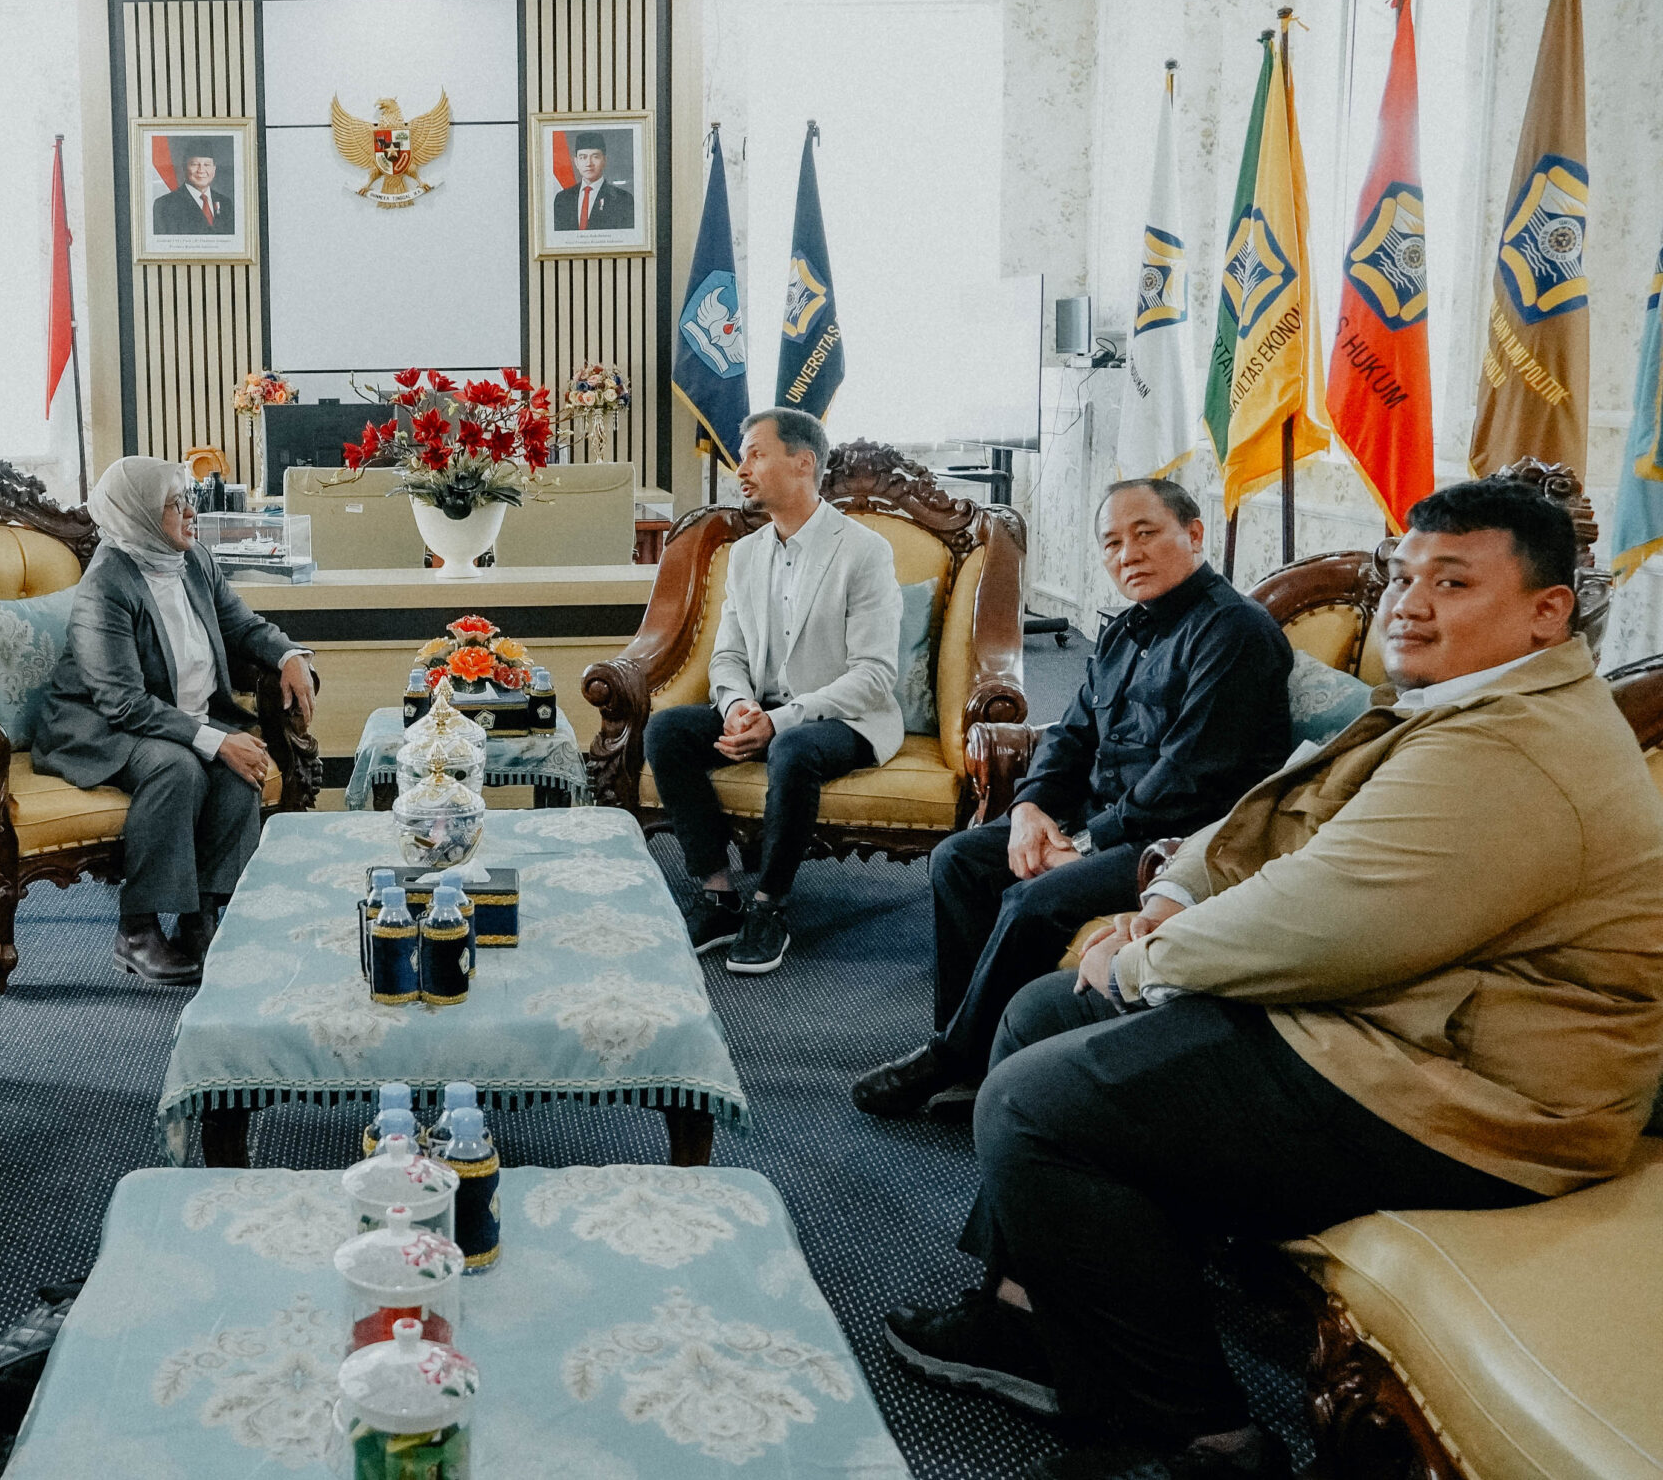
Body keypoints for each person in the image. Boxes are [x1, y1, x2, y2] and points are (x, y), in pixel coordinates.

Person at [881, 480, 1663, 1480]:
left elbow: (1329, 918)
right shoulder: (1467, 701)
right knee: (1042, 1009)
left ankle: (1196, 1436)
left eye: (1453, 582)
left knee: (1034, 1105)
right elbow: (1286, 814)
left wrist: (1143, 956)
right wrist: (1174, 891)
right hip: (1404, 1021)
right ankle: (1025, 1313)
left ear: (1548, 610)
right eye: (1405, 577)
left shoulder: (1516, 747)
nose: (1410, 604)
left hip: (1482, 1098)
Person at [853, 477, 1291, 1118]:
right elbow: (1072, 734)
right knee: (959, 859)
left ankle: (952, 1058)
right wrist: (1030, 809)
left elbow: (1186, 778)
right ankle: (972, 1052)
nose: (1128, 554)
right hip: (1102, 819)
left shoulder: (1235, 633)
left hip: (1178, 845)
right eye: (1111, 543)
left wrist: (1083, 846)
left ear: (1194, 535)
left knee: (1034, 900)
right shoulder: (1123, 631)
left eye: (1145, 534)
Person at [31, 455, 315, 985]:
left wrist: (288, 655)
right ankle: (137, 930)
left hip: (176, 719)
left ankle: (200, 919)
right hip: (103, 726)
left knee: (240, 769)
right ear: (138, 513)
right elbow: (122, 702)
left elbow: (242, 625)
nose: (191, 512)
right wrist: (216, 741)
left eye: (189, 498)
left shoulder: (194, 559)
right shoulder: (107, 585)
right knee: (177, 769)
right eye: (175, 503)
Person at [644, 407, 902, 975]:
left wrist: (779, 721)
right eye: (744, 457)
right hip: (764, 708)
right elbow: (728, 656)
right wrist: (738, 706)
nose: (742, 469)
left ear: (803, 463)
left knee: (793, 747)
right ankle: (718, 896)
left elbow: (874, 675)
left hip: (848, 718)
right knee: (667, 730)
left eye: (756, 454)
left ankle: (768, 906)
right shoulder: (745, 554)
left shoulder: (864, 551)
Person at [551, 131, 634, 232]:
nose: (589, 163)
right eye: (583, 157)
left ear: (604, 160)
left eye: (595, 157)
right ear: (576, 162)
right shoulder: (562, 198)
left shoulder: (623, 199)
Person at [152, 143, 236, 235]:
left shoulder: (225, 203)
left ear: (214, 169)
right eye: (195, 164)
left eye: (207, 165)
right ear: (184, 168)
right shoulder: (164, 205)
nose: (201, 170)